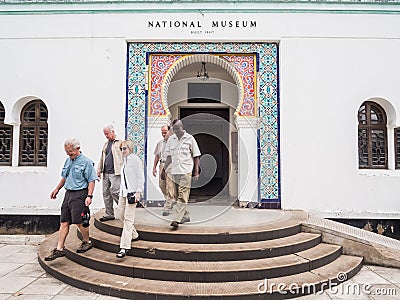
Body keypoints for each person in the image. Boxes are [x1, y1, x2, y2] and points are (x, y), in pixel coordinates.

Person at [45, 139, 97, 261]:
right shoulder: (68, 160)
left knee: (79, 221)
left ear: (78, 148)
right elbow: (64, 177)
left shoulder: (86, 162)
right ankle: (59, 249)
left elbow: (91, 180)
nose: (69, 154)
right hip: (68, 194)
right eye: (67, 151)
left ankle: (86, 241)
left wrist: (89, 196)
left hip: (80, 194)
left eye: (71, 151)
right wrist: (57, 189)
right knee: (64, 222)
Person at [161, 120, 201, 229]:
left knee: (183, 194)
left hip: (186, 171)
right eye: (174, 129)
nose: (176, 130)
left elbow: (196, 155)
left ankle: (177, 219)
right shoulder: (171, 139)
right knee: (178, 195)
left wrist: (196, 171)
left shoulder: (190, 138)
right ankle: (185, 215)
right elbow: (169, 156)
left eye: (178, 128)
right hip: (175, 171)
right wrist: (163, 170)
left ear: (182, 127)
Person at [116, 140, 144, 258]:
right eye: (122, 149)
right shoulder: (125, 160)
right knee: (120, 215)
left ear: (130, 148)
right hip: (123, 193)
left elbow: (140, 177)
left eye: (125, 149)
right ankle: (134, 234)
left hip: (132, 194)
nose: (123, 151)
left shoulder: (135, 160)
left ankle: (124, 247)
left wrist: (138, 192)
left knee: (128, 219)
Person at [97, 125, 123, 222]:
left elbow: (126, 156)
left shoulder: (120, 142)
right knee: (106, 193)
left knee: (115, 191)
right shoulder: (106, 144)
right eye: (105, 134)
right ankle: (109, 214)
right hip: (106, 172)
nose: (106, 136)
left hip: (116, 172)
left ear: (112, 131)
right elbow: (102, 157)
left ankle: (123, 210)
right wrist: (99, 170)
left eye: (107, 133)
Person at [152, 125, 175, 216]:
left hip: (171, 165)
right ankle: (170, 200)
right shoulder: (160, 143)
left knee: (170, 186)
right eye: (162, 132)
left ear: (170, 131)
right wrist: (154, 167)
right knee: (162, 185)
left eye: (165, 132)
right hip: (162, 164)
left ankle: (167, 207)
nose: (163, 134)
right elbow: (157, 156)